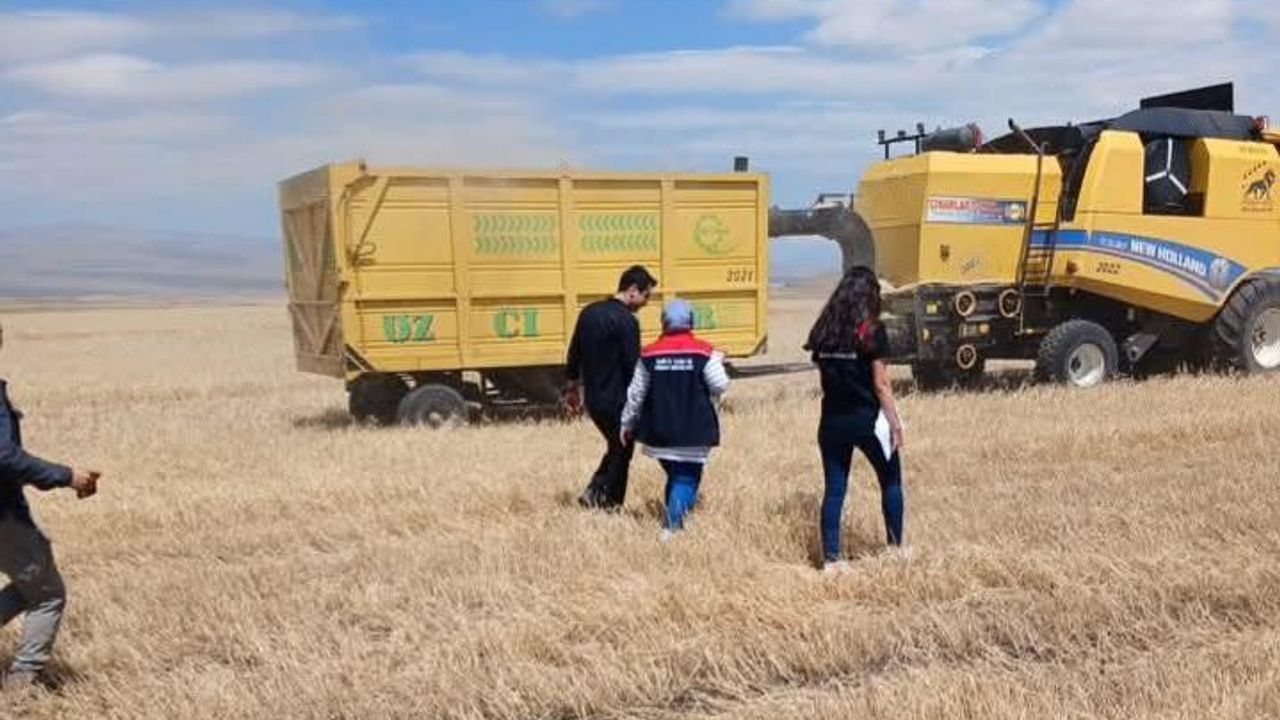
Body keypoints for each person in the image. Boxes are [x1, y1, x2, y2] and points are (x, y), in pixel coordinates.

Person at [0, 322, 101, 692]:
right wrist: (66, 476)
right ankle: (19, 692)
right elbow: (4, 456)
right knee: (48, 596)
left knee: (31, 587)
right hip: (3, 516)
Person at [804, 266, 906, 573]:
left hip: (832, 421)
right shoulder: (872, 331)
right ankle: (895, 548)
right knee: (891, 480)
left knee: (835, 489)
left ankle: (832, 560)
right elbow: (881, 384)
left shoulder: (824, 332)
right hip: (867, 419)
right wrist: (896, 423)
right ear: (871, 295)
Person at [619, 300, 729, 540]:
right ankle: (672, 528)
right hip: (694, 429)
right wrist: (718, 363)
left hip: (659, 431)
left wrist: (627, 423)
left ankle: (674, 513)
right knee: (687, 477)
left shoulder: (649, 353)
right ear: (691, 322)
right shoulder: (704, 351)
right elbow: (720, 384)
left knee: (676, 473)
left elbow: (635, 393)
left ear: (664, 323)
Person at [565, 265, 658, 510]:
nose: (646, 302)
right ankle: (609, 504)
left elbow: (574, 352)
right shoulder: (627, 321)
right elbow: (632, 366)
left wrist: (572, 386)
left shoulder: (588, 313)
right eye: (646, 295)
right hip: (617, 400)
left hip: (594, 401)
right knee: (622, 450)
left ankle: (594, 494)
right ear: (632, 290)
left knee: (617, 447)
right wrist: (644, 400)